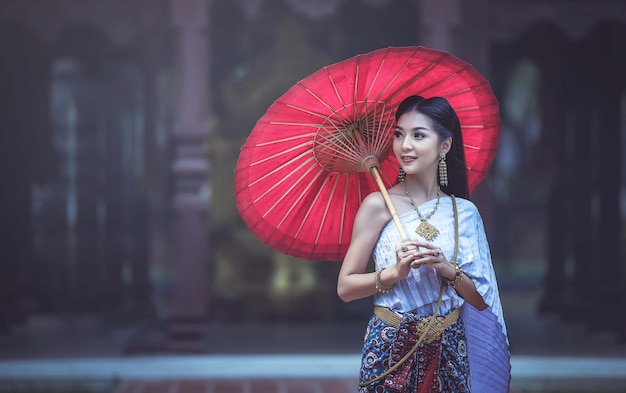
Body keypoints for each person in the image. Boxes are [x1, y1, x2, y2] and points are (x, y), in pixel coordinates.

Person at [337, 95, 510, 392]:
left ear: (445, 145)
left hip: (450, 347)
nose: (405, 145)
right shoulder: (377, 205)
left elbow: (481, 300)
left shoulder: (464, 213)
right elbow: (345, 288)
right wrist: (394, 273)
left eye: (418, 135)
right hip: (391, 344)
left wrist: (446, 268)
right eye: (399, 134)